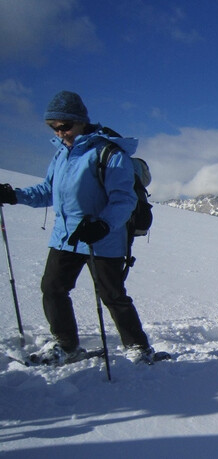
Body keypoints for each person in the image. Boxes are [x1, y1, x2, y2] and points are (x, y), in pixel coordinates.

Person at [0, 90, 159, 364]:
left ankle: (139, 348)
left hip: (104, 239)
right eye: (54, 128)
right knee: (52, 288)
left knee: (112, 295)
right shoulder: (62, 155)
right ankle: (67, 344)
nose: (61, 133)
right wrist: (15, 195)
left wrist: (102, 225)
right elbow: (48, 191)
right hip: (66, 238)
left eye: (65, 126)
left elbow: (124, 199)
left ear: (81, 121)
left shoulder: (109, 153)